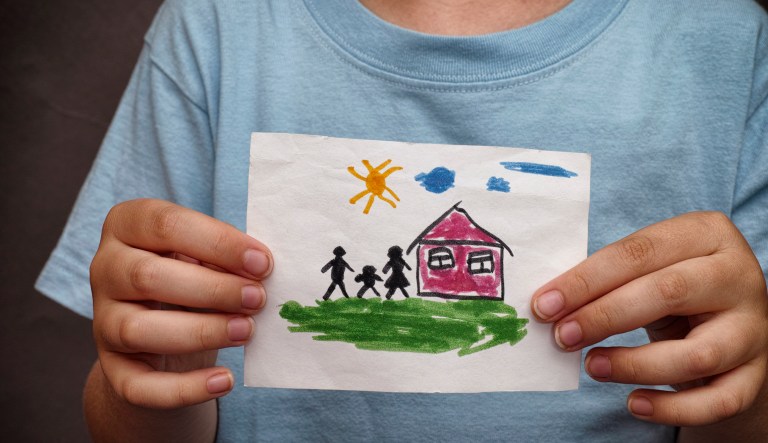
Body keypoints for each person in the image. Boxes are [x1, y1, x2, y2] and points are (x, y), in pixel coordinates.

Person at [36, 0, 768, 441]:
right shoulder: (218, 26)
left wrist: (743, 394)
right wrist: (153, 375)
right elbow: (135, 400)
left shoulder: (728, 45)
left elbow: (742, 408)